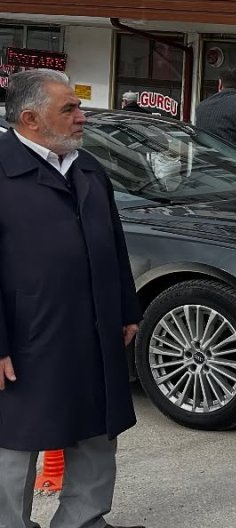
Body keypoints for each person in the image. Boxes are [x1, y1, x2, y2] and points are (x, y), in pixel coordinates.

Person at [0, 69, 144, 528]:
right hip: (27, 333)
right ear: (30, 118)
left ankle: (82, 520)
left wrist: (125, 307)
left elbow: (114, 243)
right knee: (16, 438)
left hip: (96, 326)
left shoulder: (87, 167)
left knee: (97, 428)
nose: (82, 117)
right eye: (70, 109)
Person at [194, 65, 236, 159]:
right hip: (231, 171)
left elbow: (221, 129)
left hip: (203, 168)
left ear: (220, 84)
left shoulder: (202, 106)